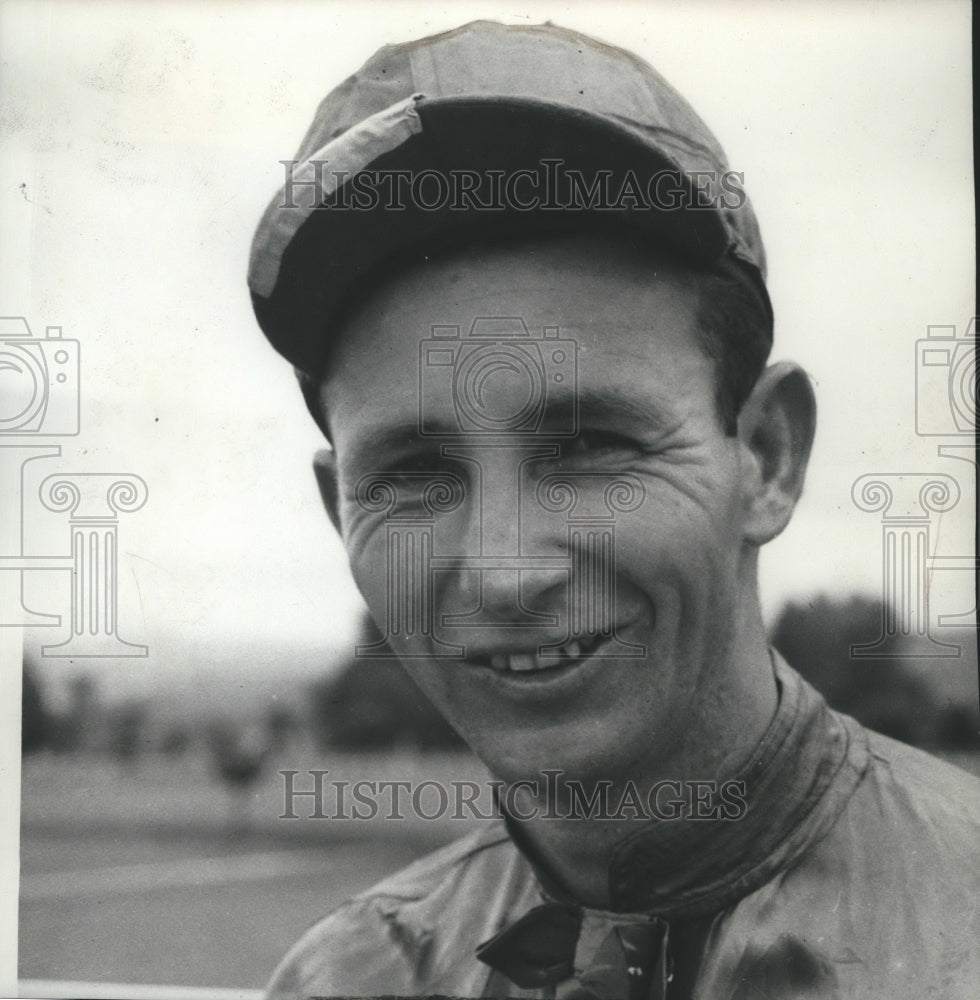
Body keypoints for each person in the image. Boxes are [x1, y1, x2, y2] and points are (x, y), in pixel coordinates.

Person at [248, 20, 980, 999]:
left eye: (591, 447)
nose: (505, 572)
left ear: (763, 457)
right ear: (340, 514)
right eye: (413, 475)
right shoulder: (347, 978)